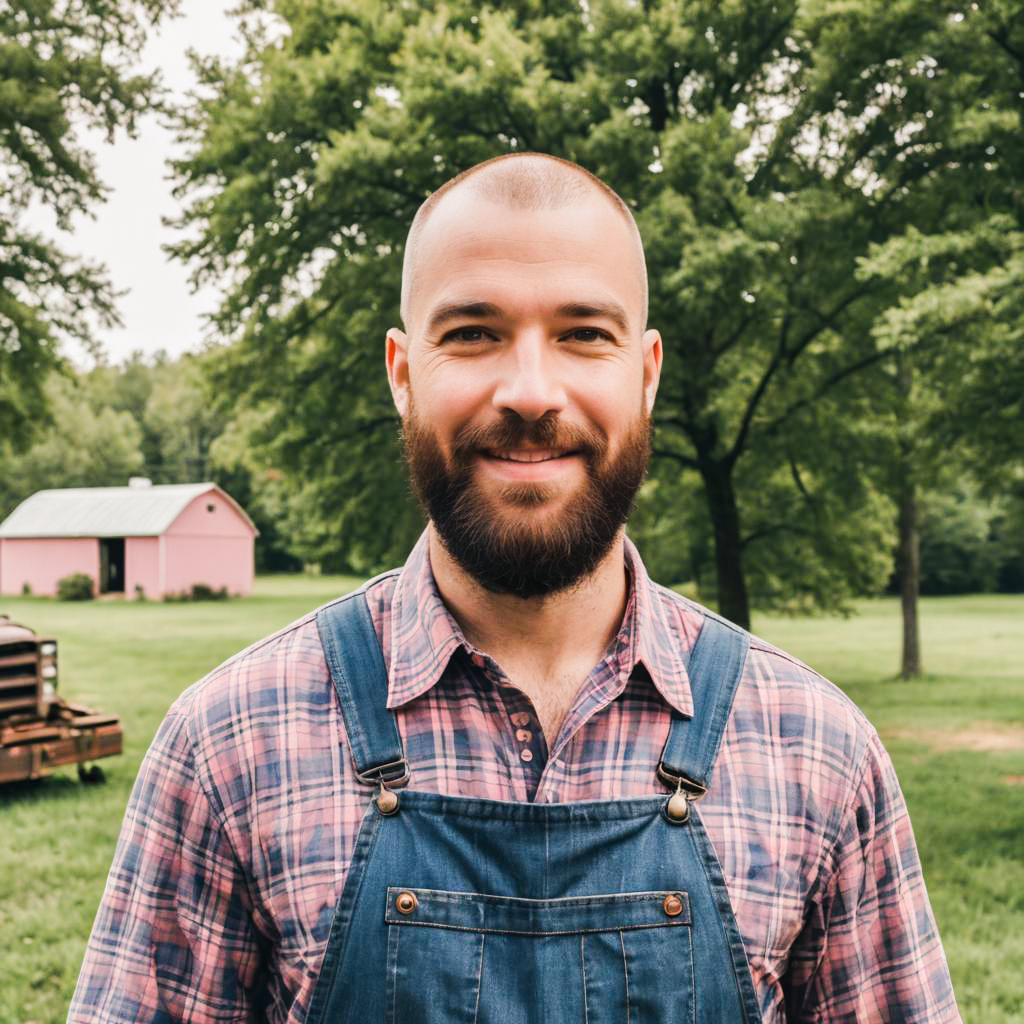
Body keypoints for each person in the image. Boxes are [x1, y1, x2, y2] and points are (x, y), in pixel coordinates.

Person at [68, 153, 960, 1024]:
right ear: (402, 373)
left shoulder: (821, 753)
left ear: (645, 376)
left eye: (583, 334)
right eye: (472, 334)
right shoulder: (227, 746)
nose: (531, 392)